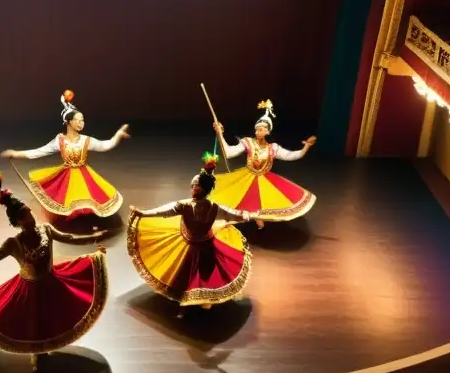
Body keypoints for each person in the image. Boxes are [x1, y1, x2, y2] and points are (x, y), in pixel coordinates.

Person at [0, 171, 108, 368]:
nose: (31, 217)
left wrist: (94, 238)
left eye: (29, 212)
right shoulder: (13, 244)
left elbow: (70, 239)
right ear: (17, 223)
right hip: (29, 290)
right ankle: (37, 352)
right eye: (25, 216)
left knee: (53, 317)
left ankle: (43, 349)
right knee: (33, 324)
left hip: (52, 282)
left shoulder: (46, 230)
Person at [127, 154, 254, 318]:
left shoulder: (212, 207)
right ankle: (190, 301)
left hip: (205, 244)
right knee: (185, 274)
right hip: (191, 241)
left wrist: (245, 216)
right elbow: (165, 211)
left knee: (199, 275)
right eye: (193, 186)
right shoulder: (187, 205)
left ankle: (197, 301)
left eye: (197, 187)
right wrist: (144, 213)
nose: (193, 189)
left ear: (205, 189)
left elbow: (233, 214)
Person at [0, 90, 129, 219]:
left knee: (88, 196)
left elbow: (105, 145)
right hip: (67, 176)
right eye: (77, 120)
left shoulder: (86, 140)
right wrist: (16, 153)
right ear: (68, 122)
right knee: (70, 199)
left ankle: (86, 218)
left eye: (83, 120)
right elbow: (39, 152)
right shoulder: (60, 140)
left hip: (84, 175)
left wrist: (117, 136)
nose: (81, 123)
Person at [211, 100, 316, 228]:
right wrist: (220, 134)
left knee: (265, 199)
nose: (258, 132)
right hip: (247, 176)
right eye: (257, 129)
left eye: (262, 129)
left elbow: (290, 156)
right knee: (242, 198)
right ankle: (250, 218)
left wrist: (305, 148)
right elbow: (229, 153)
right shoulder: (248, 142)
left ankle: (258, 218)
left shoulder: (273, 147)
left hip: (264, 178)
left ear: (268, 132)